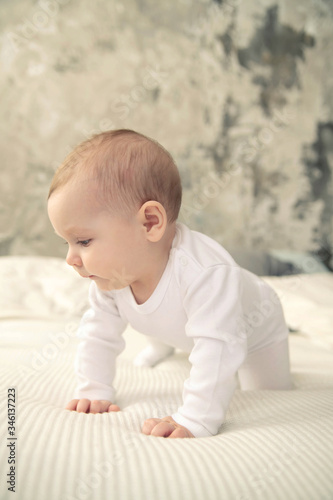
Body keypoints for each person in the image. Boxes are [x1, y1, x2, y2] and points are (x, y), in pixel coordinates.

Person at [47, 129, 292, 439]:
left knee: (268, 390)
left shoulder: (206, 274)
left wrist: (195, 418)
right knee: (171, 317)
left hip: (256, 330)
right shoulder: (114, 277)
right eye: (67, 243)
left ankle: (172, 344)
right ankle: (164, 345)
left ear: (150, 222)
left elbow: (218, 348)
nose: (71, 258)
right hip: (181, 324)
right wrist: (94, 389)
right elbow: (97, 335)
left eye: (82, 240)